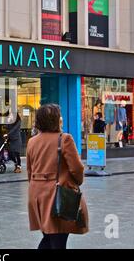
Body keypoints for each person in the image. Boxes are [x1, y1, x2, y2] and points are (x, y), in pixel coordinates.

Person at [27, 104, 89, 249]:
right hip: (57, 196)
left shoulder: (32, 141)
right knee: (57, 240)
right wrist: (76, 183)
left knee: (49, 238)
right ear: (56, 120)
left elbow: (30, 171)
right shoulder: (64, 139)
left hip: (37, 196)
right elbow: (77, 168)